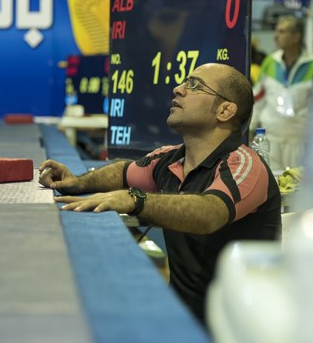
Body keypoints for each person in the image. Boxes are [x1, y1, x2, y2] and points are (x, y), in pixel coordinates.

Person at [38, 63, 282, 326]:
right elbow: (123, 172)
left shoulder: (245, 164)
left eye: (194, 85)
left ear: (224, 110)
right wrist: (77, 182)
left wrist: (134, 200)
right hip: (183, 317)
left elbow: (210, 213)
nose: (178, 89)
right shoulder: (170, 158)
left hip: (240, 327)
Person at [251, 15, 313, 170]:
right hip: (271, 138)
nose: (275, 36)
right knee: (271, 181)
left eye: (282, 32)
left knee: (297, 183)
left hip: (299, 139)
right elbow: (258, 98)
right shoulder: (270, 62)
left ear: (296, 36)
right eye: (276, 31)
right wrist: (250, 128)